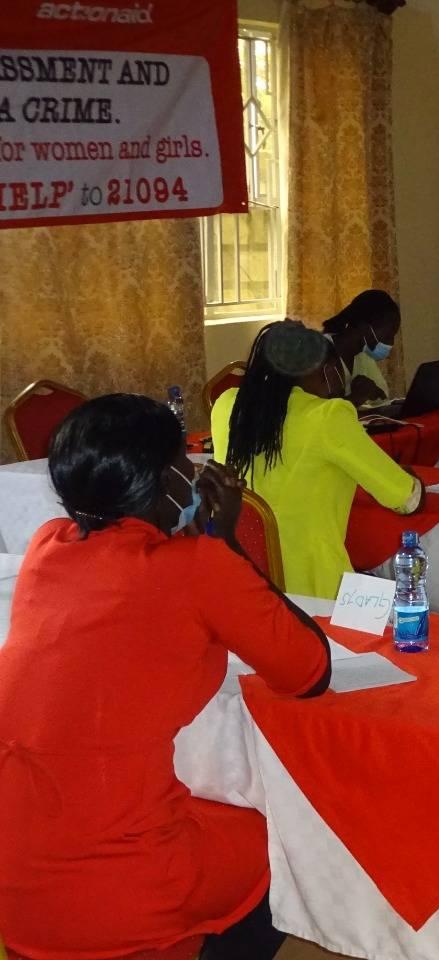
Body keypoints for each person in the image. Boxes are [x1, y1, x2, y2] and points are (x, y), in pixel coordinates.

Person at [0, 394, 332, 959]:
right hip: (120, 890)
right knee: (291, 837)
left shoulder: (46, 547)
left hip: (17, 881)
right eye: (184, 460)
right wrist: (227, 544)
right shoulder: (199, 565)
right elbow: (309, 671)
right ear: (166, 480)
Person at [212, 320, 423, 597]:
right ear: (324, 370)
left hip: (243, 581)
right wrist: (411, 479)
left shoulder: (226, 405)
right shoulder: (328, 417)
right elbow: (406, 499)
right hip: (314, 589)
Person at [322, 289, 402, 407]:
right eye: (388, 336)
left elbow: (382, 400)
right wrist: (356, 397)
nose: (391, 343)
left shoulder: (364, 358)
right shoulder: (319, 355)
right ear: (365, 327)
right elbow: (319, 413)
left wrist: (374, 392)